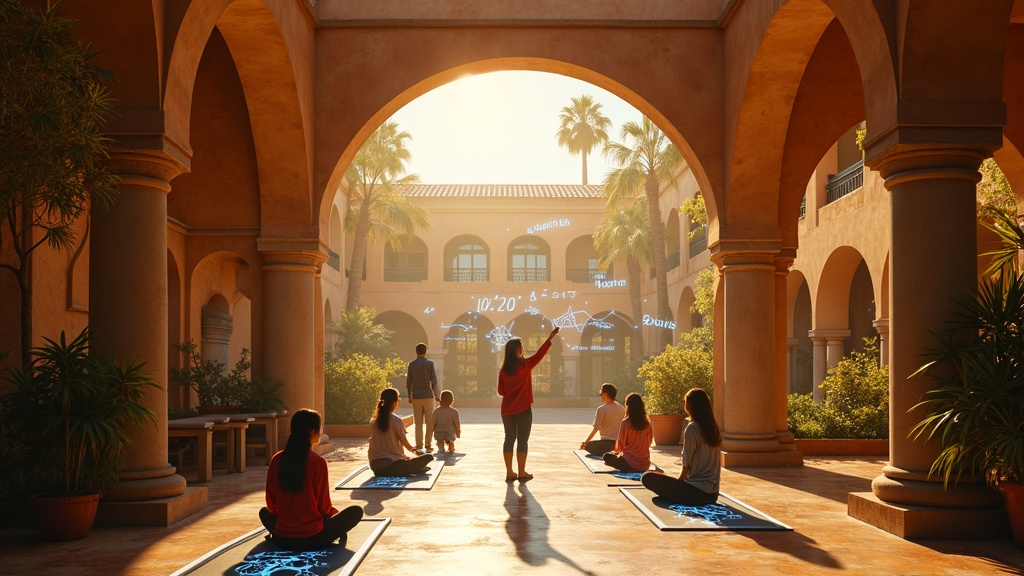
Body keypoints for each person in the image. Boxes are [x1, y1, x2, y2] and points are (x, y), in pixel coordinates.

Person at [259, 409, 363, 550]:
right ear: (312, 432)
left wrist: (287, 520)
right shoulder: (317, 462)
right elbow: (324, 507)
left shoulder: (276, 459)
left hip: (282, 537)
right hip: (313, 537)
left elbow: (271, 504)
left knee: (263, 512)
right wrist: (333, 516)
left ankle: (285, 533)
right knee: (355, 512)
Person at [498, 325, 560, 482]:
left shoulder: (503, 370)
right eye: (522, 347)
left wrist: (511, 394)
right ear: (518, 350)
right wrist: (550, 338)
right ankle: (521, 472)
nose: (523, 350)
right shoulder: (525, 366)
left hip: (507, 410)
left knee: (509, 439)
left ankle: (509, 472)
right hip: (523, 410)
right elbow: (540, 354)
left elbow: (500, 391)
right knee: (522, 441)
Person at [641, 388, 721, 505]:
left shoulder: (692, 428)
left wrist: (677, 485)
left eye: (686, 403)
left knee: (647, 478)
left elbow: (686, 466)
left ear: (691, 406)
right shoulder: (713, 428)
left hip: (696, 492)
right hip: (712, 494)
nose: (685, 406)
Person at [368, 387, 434, 476]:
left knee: (406, 463)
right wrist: (415, 451)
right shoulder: (396, 420)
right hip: (392, 465)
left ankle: (409, 468)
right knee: (429, 457)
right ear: (395, 402)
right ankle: (410, 469)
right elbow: (405, 443)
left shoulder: (374, 421)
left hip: (376, 468)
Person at [602, 393, 653, 473]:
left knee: (606, 456)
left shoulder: (625, 422)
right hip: (645, 465)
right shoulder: (647, 423)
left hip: (628, 463)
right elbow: (649, 442)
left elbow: (620, 445)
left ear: (628, 406)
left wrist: (615, 453)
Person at [406, 342, 440, 452]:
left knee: (418, 422)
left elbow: (409, 382)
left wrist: (409, 395)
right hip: (428, 395)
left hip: (416, 396)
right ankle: (428, 444)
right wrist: (437, 395)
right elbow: (434, 381)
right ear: (426, 352)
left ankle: (419, 444)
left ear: (416, 352)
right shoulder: (430, 364)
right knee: (429, 422)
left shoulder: (411, 365)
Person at [579, 383, 625, 455]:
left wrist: (586, 442)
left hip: (606, 444)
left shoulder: (601, 409)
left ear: (605, 394)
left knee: (588, 446)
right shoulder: (621, 408)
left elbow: (596, 429)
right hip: (619, 444)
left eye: (601, 392)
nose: (600, 395)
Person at [431, 389, 462, 454]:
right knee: (451, 440)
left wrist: (431, 431)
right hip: (450, 433)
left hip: (439, 433)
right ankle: (451, 445)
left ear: (440, 400)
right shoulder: (454, 412)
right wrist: (458, 433)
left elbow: (433, 424)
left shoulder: (436, 411)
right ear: (452, 401)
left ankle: (441, 448)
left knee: (439, 442)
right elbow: (457, 424)